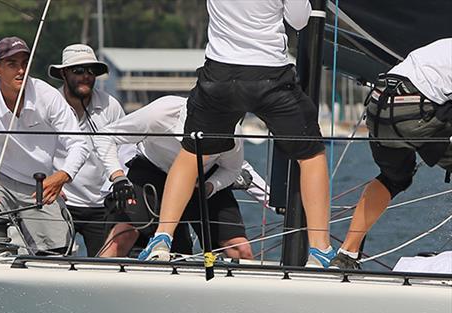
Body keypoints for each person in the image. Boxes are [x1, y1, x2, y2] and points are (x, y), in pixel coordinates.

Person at [139, 0, 333, 267]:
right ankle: (320, 250)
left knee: (192, 155)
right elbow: (299, 21)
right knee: (311, 156)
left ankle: (161, 239)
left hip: (220, 74)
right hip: (269, 74)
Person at [94, 96, 268, 259]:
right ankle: (96, 284)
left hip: (201, 179)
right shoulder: (160, 112)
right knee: (122, 236)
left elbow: (233, 170)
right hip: (151, 170)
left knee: (240, 249)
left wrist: (210, 186)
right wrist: (118, 177)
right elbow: (105, 137)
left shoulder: (231, 132)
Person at [330, 38, 452, 269]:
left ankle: (346, 254)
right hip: (414, 109)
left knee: (393, 178)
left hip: (379, 107)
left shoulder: (441, 47)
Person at [0, 36, 89, 254]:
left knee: (59, 249)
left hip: (40, 184)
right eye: (12, 64)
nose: (21, 70)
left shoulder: (47, 95)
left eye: (25, 63)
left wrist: (62, 176)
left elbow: (79, 142)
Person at [48, 43, 135, 256]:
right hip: (60, 202)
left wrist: (117, 185)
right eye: (78, 70)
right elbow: (35, 150)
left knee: (102, 272)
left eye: (91, 71)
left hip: (100, 204)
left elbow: (126, 151)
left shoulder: (110, 105)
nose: (86, 76)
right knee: (54, 264)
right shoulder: (50, 104)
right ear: (63, 73)